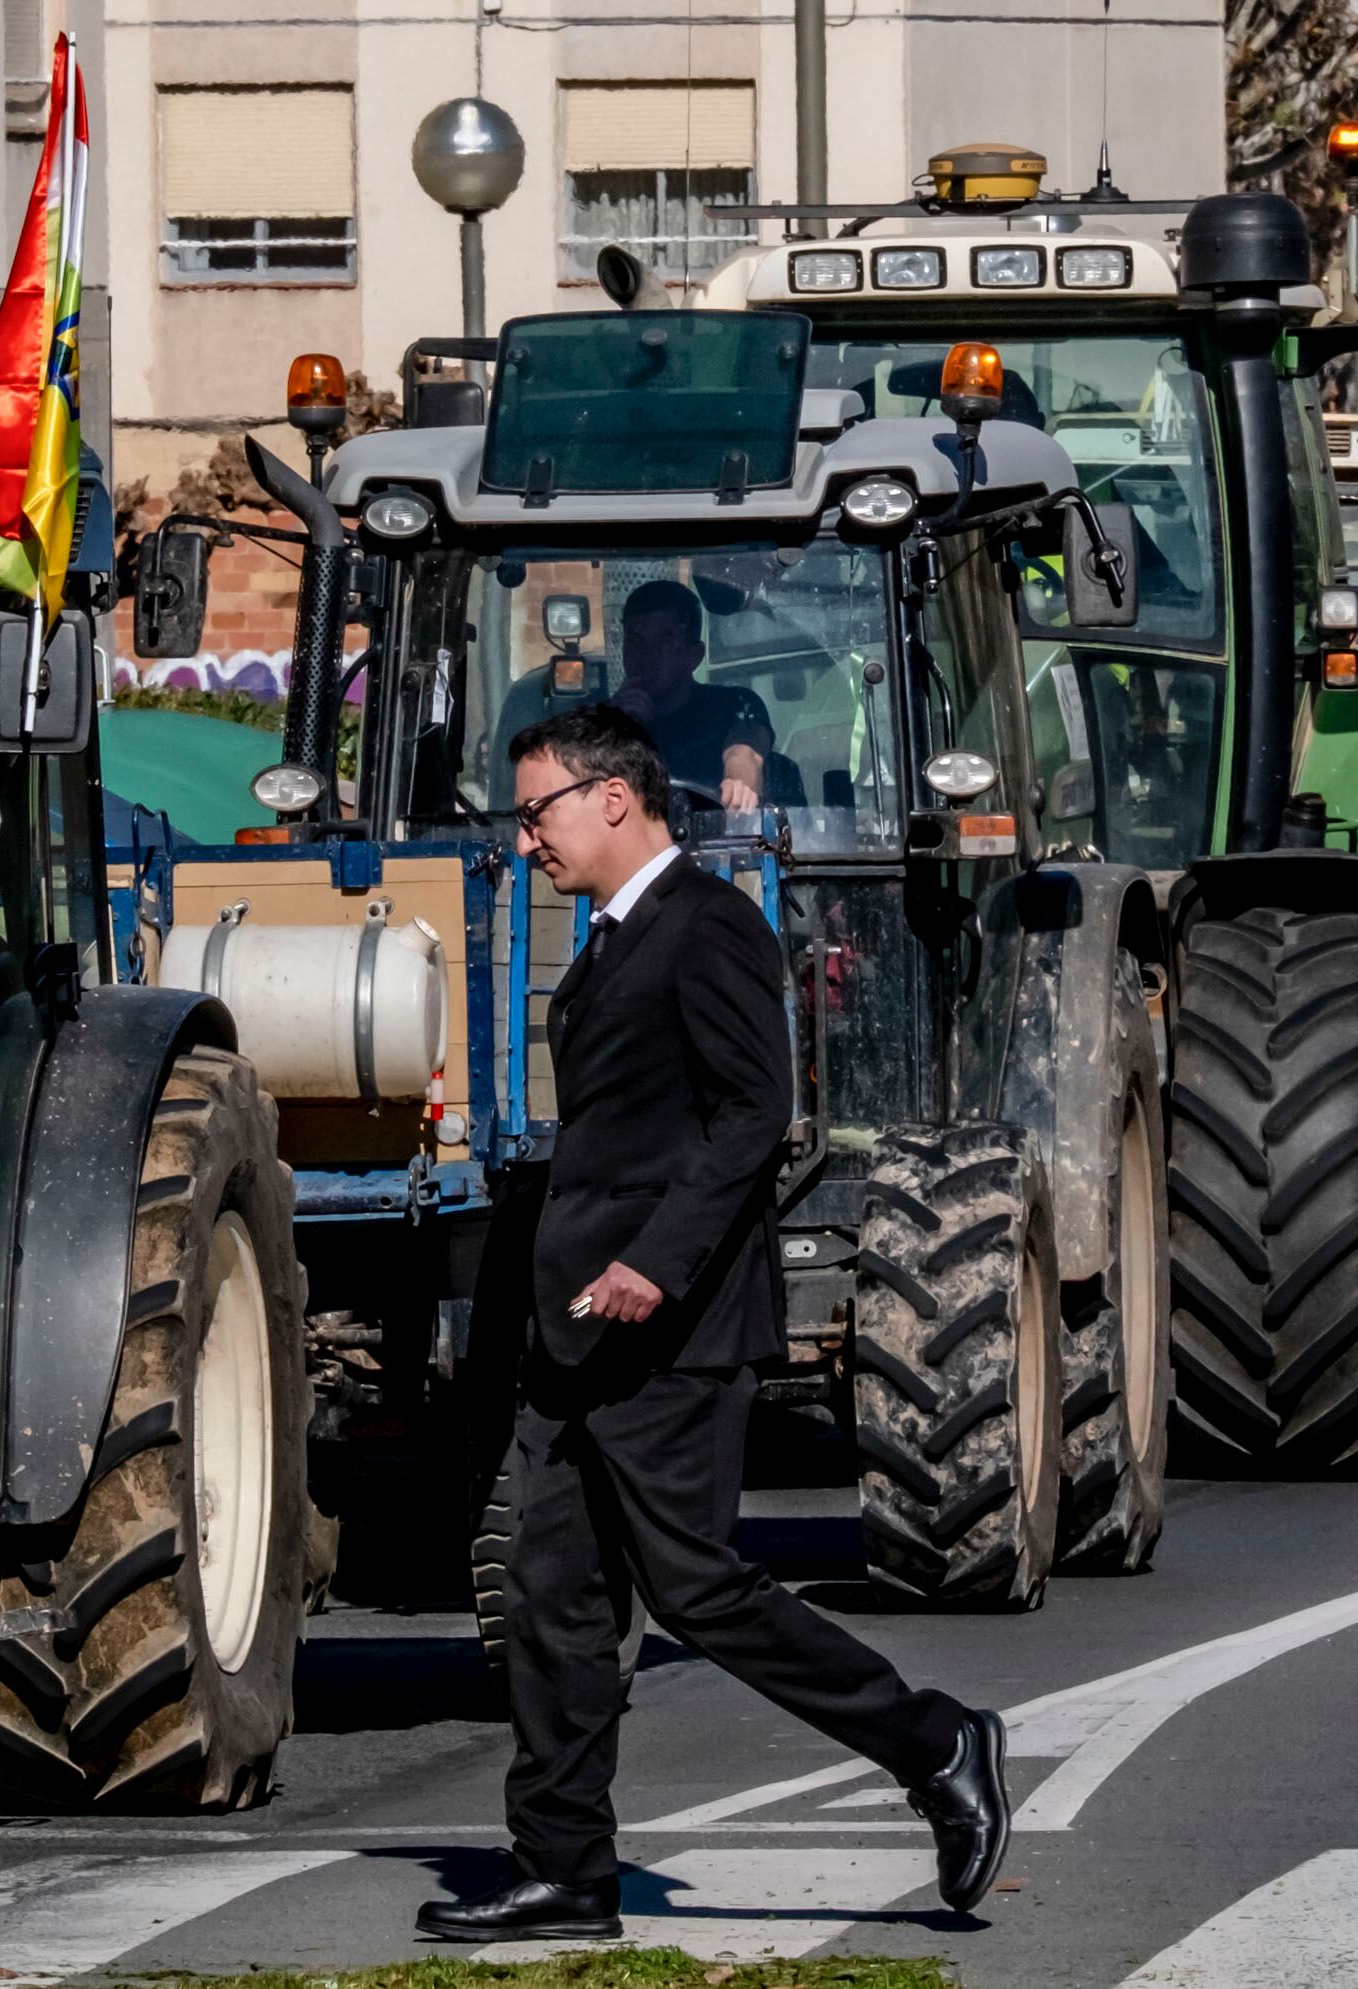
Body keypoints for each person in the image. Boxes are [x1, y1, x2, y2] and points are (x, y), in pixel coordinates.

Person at [416, 702, 1007, 1945]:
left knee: (696, 1588)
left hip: (667, 1331)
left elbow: (757, 1114)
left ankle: (934, 1739)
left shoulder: (709, 929)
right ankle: (568, 1871)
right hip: (581, 1335)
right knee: (549, 1595)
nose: (526, 841)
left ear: (614, 799)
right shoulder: (610, 941)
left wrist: (653, 1265)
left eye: (539, 813)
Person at [500, 579, 789, 811]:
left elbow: (746, 751)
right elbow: (562, 788)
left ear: (694, 655)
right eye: (635, 641)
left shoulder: (733, 706)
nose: (646, 656)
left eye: (664, 642)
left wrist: (738, 780)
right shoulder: (596, 722)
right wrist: (617, 729)